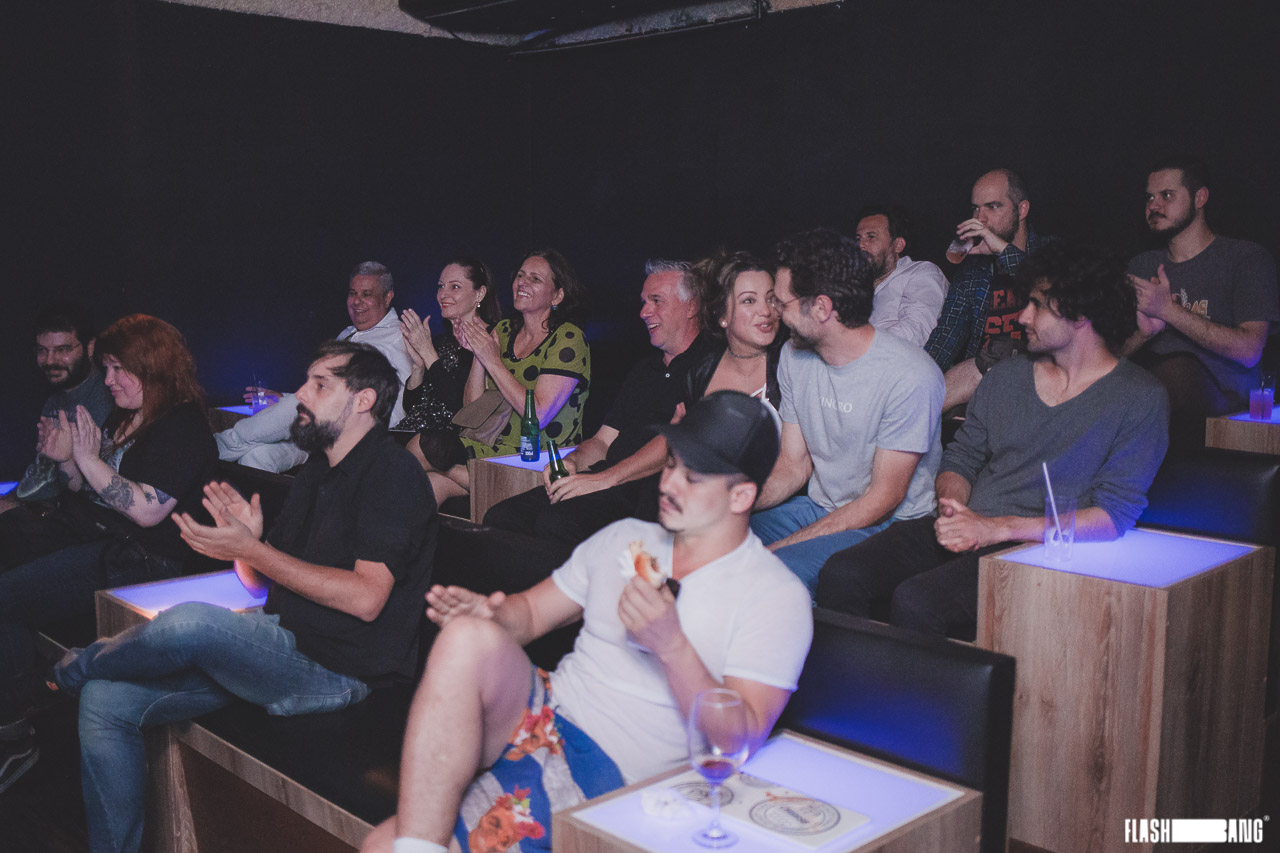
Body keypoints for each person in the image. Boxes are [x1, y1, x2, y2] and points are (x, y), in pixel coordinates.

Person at [359, 391, 812, 853]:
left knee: (380, 846)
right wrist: (490, 613)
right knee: (466, 636)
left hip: (616, 776)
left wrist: (672, 645)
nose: (669, 484)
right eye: (671, 464)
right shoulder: (626, 537)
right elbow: (530, 613)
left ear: (741, 495)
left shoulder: (774, 595)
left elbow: (739, 740)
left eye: (692, 477)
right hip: (546, 716)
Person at [48, 340, 436, 853]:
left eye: (320, 384)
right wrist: (247, 546)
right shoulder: (317, 469)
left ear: (363, 400)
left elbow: (367, 598)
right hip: (278, 644)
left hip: (340, 670)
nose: (301, 394)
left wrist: (256, 550)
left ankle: (74, 668)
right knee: (105, 702)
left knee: (190, 623)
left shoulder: (392, 474)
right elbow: (260, 585)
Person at [817, 242, 1170, 639]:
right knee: (841, 573)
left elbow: (1112, 517)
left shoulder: (1139, 398)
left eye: (1037, 305)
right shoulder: (1005, 376)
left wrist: (996, 529)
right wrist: (954, 507)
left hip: (1036, 546)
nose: (1022, 317)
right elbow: (961, 459)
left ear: (1079, 314)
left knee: (917, 601)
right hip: (969, 524)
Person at [0, 314, 217, 792]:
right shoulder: (127, 415)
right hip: (100, 538)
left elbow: (146, 510)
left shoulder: (182, 426)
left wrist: (85, 458)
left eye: (120, 370)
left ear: (153, 367)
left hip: (142, 561)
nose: (110, 380)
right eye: (108, 369)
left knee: (6, 598)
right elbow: (91, 490)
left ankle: (12, 729)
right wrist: (68, 462)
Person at [750, 228, 944, 594]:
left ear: (822, 308)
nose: (774, 312)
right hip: (820, 507)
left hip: (889, 523)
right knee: (711, 540)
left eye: (781, 303)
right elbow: (794, 465)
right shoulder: (793, 356)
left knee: (771, 573)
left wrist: (777, 550)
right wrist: (730, 504)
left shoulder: (910, 375)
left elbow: (883, 499)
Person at [482, 259, 709, 547]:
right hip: (609, 479)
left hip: (648, 489)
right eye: (644, 302)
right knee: (501, 517)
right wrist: (572, 462)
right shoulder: (645, 370)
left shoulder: (709, 368)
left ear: (691, 307)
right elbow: (603, 440)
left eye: (656, 301)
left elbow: (678, 442)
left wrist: (606, 479)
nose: (644, 312)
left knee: (556, 523)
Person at [1123, 155, 1279, 447]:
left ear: (1200, 197)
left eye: (1167, 195)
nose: (1154, 206)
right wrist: (1143, 335)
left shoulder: (1245, 258)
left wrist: (1168, 310)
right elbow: (1110, 357)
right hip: (1149, 395)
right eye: (1149, 198)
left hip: (1225, 401)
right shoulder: (1141, 265)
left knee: (1177, 369)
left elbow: (1249, 351)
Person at [425, 249, 590, 507]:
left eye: (535, 279)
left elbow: (539, 414)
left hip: (538, 457)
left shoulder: (568, 338)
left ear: (557, 295)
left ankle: (457, 472)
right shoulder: (504, 330)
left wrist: (492, 360)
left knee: (424, 452)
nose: (522, 283)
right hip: (491, 449)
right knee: (429, 483)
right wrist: (479, 355)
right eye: (520, 276)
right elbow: (473, 410)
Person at [215, 261, 413, 472]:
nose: (357, 301)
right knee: (256, 458)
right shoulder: (348, 334)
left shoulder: (399, 337)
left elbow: (402, 406)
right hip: (321, 431)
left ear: (387, 297)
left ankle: (217, 446)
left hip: (355, 433)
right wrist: (282, 397)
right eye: (353, 293)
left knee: (301, 403)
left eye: (367, 294)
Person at [925, 169, 1050, 412]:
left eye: (992, 207)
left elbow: (1056, 294)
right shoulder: (973, 269)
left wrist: (1003, 251)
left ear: (1022, 210)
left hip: (1039, 382)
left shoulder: (1051, 253)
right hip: (980, 391)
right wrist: (913, 379)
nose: (980, 219)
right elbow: (946, 337)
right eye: (975, 208)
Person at [1, 303, 114, 513]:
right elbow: (39, 477)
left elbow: (88, 495)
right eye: (42, 351)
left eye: (62, 350)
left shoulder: (107, 397)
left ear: (90, 347)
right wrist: (11, 499)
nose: (50, 360)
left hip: (60, 516)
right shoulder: (54, 398)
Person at [396, 257, 503, 473]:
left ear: (479, 294)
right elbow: (413, 408)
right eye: (441, 286)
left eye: (454, 287)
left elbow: (464, 410)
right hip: (420, 435)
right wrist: (418, 366)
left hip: (459, 439)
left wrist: (428, 354)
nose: (443, 294)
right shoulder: (439, 342)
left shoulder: (491, 339)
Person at [855, 205, 949, 347]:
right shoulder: (855, 287)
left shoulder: (921, 272)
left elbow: (916, 330)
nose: (860, 245)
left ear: (898, 245)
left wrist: (857, 347)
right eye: (858, 238)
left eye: (871, 237)